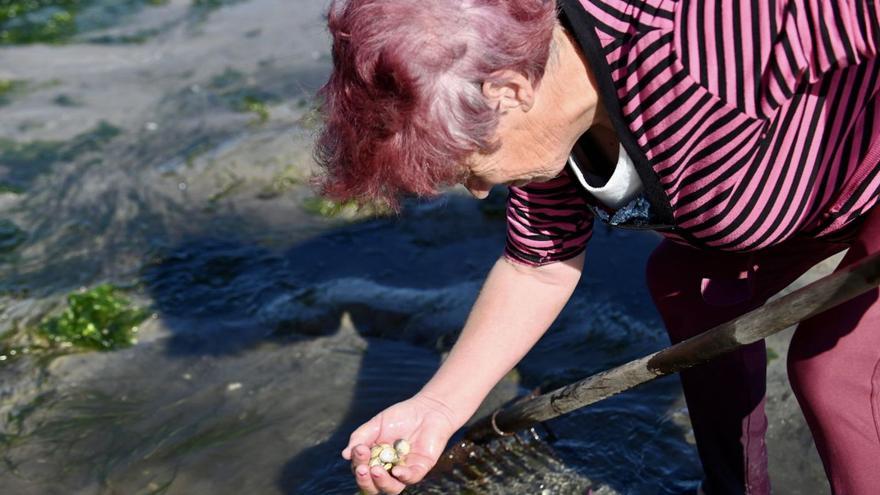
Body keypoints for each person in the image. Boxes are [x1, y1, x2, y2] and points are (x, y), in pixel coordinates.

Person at [315, 0, 880, 493]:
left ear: (509, 91)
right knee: (687, 287)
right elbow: (539, 265)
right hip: (798, 190)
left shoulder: (706, 35)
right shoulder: (542, 86)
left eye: (470, 166)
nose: (481, 189)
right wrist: (436, 408)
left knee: (836, 369)